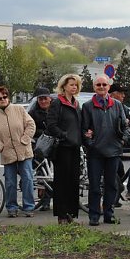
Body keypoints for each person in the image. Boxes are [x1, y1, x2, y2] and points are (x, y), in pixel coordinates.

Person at [81, 75, 127, 226]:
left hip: (113, 151)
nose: (101, 87)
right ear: (94, 87)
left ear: (109, 87)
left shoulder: (117, 105)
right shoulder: (88, 106)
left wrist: (122, 140)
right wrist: (90, 143)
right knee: (94, 186)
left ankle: (109, 214)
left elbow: (125, 126)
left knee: (111, 185)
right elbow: (84, 129)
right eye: (98, 85)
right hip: (95, 153)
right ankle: (94, 216)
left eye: (104, 85)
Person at [0, 86, 37, 217]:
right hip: (7, 153)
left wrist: (25, 139)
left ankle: (29, 207)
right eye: (0, 98)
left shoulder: (19, 109)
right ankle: (11, 207)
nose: (3, 99)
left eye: (5, 96)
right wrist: (1, 146)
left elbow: (31, 124)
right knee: (10, 182)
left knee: (27, 179)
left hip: (24, 151)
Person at [46, 73, 83, 224]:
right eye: (71, 85)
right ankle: (61, 215)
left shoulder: (76, 103)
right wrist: (63, 135)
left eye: (76, 85)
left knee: (73, 181)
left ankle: (70, 213)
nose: (74, 87)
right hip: (62, 147)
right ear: (64, 87)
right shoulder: (57, 103)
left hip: (75, 147)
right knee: (61, 182)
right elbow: (51, 124)